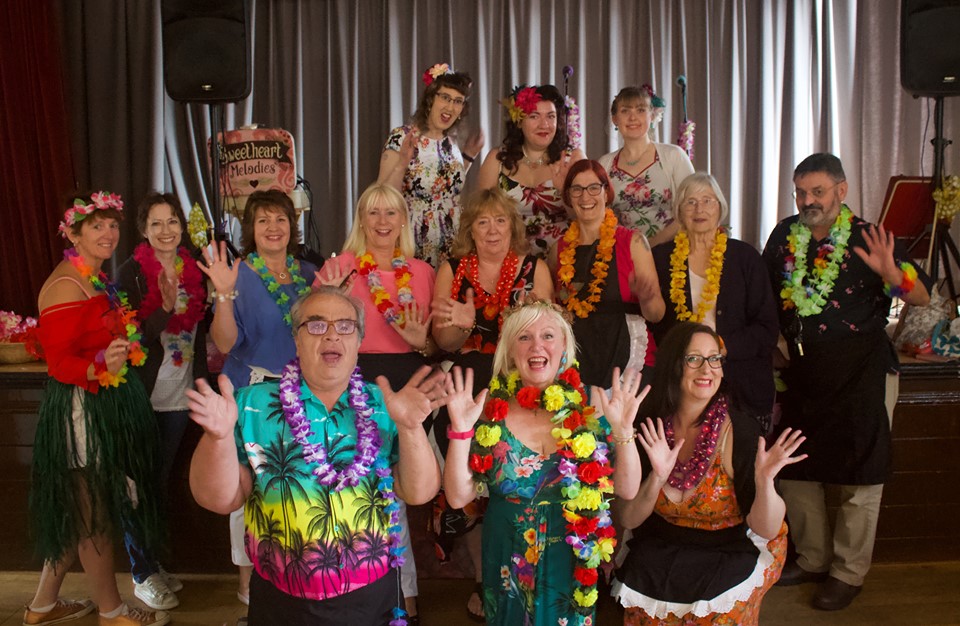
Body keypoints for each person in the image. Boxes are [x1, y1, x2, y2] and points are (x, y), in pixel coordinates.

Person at [187, 287, 448, 626]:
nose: (330, 335)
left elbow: (419, 493)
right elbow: (219, 500)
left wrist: (412, 428)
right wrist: (217, 437)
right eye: (316, 325)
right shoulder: (251, 405)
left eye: (344, 326)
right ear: (296, 339)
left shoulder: (386, 404)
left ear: (358, 341)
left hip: (372, 596)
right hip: (279, 598)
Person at [761, 153, 930, 610]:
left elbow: (921, 293)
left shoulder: (868, 236)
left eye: (817, 191)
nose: (807, 200)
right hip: (801, 373)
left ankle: (848, 572)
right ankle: (813, 558)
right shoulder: (784, 236)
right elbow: (765, 295)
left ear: (842, 191)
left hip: (861, 372)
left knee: (861, 478)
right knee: (797, 470)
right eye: (800, 192)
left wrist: (891, 273)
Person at [443, 300, 645, 626]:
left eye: (548, 335)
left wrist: (623, 432)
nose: (537, 345)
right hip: (507, 558)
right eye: (524, 337)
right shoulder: (487, 410)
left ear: (565, 347)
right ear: (510, 352)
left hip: (568, 559)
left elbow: (627, 488)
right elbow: (457, 497)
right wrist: (461, 433)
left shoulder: (594, 403)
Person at [25, 191, 169, 626]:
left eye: (112, 225)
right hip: (78, 411)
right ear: (72, 233)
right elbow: (59, 363)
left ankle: (41, 607)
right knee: (95, 513)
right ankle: (112, 611)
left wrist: (158, 306)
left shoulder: (94, 277)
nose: (109, 234)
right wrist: (99, 365)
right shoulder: (65, 286)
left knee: (80, 512)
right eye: (97, 227)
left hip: (98, 403)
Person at [614, 322, 806, 625]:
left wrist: (765, 482)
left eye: (714, 359)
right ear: (674, 364)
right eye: (694, 359)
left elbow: (766, 528)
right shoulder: (650, 426)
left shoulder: (740, 432)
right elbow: (628, 518)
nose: (708, 369)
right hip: (665, 546)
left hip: (729, 548)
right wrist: (658, 478)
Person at [313, 182, 435, 622]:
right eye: (373, 214)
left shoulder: (421, 271)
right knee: (363, 489)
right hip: (353, 380)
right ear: (361, 220)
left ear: (403, 220)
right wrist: (328, 299)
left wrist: (423, 343)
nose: (382, 222)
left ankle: (404, 594)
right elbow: (314, 328)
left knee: (401, 490)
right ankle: (355, 587)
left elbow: (431, 342)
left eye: (390, 213)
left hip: (405, 382)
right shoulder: (340, 267)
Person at [429, 187, 553, 620]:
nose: (493, 229)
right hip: (466, 386)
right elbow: (440, 341)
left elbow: (547, 335)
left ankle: (533, 573)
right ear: (471, 229)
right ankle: (487, 579)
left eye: (500, 220)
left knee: (511, 483)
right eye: (483, 222)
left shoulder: (533, 268)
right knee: (469, 484)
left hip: (518, 387)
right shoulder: (452, 269)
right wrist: (461, 327)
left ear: (513, 225)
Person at [200, 189, 317, 606]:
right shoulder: (238, 272)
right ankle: (249, 584)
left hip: (303, 394)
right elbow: (226, 342)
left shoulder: (308, 273)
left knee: (296, 486)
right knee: (246, 490)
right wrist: (225, 294)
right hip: (252, 392)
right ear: (251, 228)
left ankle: (293, 571)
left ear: (292, 226)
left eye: (281, 219)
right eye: (263, 220)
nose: (273, 228)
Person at [116, 192, 209, 610]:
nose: (166, 230)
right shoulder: (131, 274)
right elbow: (127, 340)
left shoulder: (195, 269)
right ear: (143, 230)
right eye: (156, 223)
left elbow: (200, 334)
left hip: (179, 395)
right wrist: (163, 310)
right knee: (136, 488)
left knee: (157, 485)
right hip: (142, 395)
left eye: (173, 221)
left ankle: (152, 562)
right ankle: (141, 573)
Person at [650, 173, 779, 425]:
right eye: (691, 202)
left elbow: (766, 329)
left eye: (708, 200)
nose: (700, 209)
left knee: (743, 461)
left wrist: (718, 347)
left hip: (742, 384)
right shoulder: (661, 259)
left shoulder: (745, 258)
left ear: (720, 208)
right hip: (682, 386)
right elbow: (654, 325)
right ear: (679, 211)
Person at [550, 159, 664, 389]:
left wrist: (647, 297)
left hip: (628, 356)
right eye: (577, 189)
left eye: (594, 187)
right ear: (569, 197)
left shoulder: (633, 242)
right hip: (577, 358)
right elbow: (554, 309)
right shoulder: (558, 250)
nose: (585, 197)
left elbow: (657, 315)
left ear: (606, 193)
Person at [378, 62, 485, 266]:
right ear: (430, 99)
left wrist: (469, 156)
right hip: (414, 240)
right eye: (445, 98)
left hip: (452, 242)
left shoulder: (450, 143)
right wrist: (401, 163)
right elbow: (381, 196)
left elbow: (445, 186)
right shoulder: (402, 136)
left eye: (458, 101)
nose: (450, 107)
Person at [477, 84, 586, 257]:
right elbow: (480, 216)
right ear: (519, 121)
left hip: (564, 256)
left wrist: (564, 191)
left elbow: (586, 218)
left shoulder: (572, 158)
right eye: (534, 116)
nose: (544, 124)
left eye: (551, 116)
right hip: (509, 256)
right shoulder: (496, 159)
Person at [598, 85, 694, 247]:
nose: (633, 117)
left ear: (651, 116)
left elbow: (692, 207)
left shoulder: (673, 156)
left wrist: (651, 245)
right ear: (615, 119)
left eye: (640, 110)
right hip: (623, 253)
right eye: (625, 111)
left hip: (671, 252)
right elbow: (600, 217)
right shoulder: (605, 164)